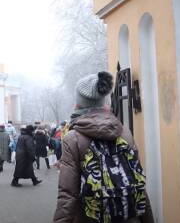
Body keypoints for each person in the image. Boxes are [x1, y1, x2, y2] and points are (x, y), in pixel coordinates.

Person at [53, 71, 154, 223]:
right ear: (103, 102)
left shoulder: (72, 139)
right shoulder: (124, 132)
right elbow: (137, 182)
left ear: (78, 104)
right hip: (129, 217)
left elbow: (68, 195)